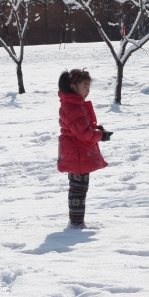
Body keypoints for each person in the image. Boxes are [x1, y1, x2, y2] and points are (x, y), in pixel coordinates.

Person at [57, 69, 111, 229]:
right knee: (78, 190)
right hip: (77, 154)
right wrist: (100, 135)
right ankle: (76, 223)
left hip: (76, 153)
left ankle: (76, 221)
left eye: (89, 86)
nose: (88, 90)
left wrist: (99, 130)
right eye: (85, 86)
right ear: (73, 87)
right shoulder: (73, 107)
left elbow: (83, 127)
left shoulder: (74, 105)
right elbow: (83, 133)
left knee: (78, 188)